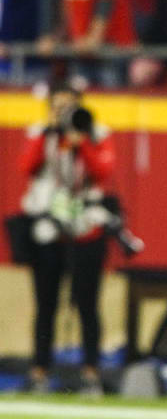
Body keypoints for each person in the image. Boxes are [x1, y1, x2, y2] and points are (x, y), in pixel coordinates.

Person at [18, 80, 115, 395]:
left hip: (85, 227)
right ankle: (40, 370)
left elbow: (102, 171)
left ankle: (91, 371)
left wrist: (80, 141)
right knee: (45, 304)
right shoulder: (40, 133)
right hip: (48, 229)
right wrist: (50, 132)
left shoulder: (96, 132)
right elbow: (27, 167)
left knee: (87, 303)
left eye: (68, 106)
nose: (62, 113)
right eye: (56, 106)